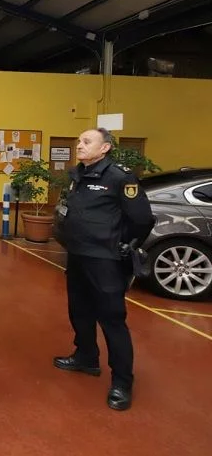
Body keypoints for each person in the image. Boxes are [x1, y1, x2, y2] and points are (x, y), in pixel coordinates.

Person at [52, 127, 154, 411]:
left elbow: (142, 219)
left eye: (87, 141)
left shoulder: (120, 178)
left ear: (105, 148)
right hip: (78, 256)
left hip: (105, 260)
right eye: (79, 141)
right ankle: (86, 357)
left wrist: (121, 243)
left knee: (112, 320)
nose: (79, 145)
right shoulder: (78, 175)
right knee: (79, 311)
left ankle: (122, 382)